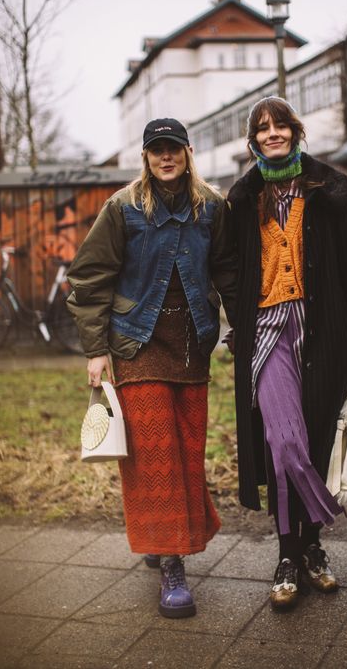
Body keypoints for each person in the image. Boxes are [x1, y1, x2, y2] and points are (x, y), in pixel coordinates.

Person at [67, 118, 236, 619]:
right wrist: (96, 349)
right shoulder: (122, 209)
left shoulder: (211, 207)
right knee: (154, 455)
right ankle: (173, 566)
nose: (166, 157)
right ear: (145, 156)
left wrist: (243, 327)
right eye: (156, 150)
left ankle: (163, 538)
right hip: (136, 345)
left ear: (187, 152)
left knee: (186, 449)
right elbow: (89, 278)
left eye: (174, 149)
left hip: (191, 347)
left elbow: (226, 268)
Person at [226, 96, 347, 610]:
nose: (272, 134)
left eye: (280, 126)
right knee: (282, 441)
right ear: (253, 140)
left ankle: (304, 553)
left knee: (312, 440)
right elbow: (228, 267)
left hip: (322, 330)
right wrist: (236, 321)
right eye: (262, 129)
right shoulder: (243, 198)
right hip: (267, 330)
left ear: (295, 130)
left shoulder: (327, 190)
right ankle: (302, 542)